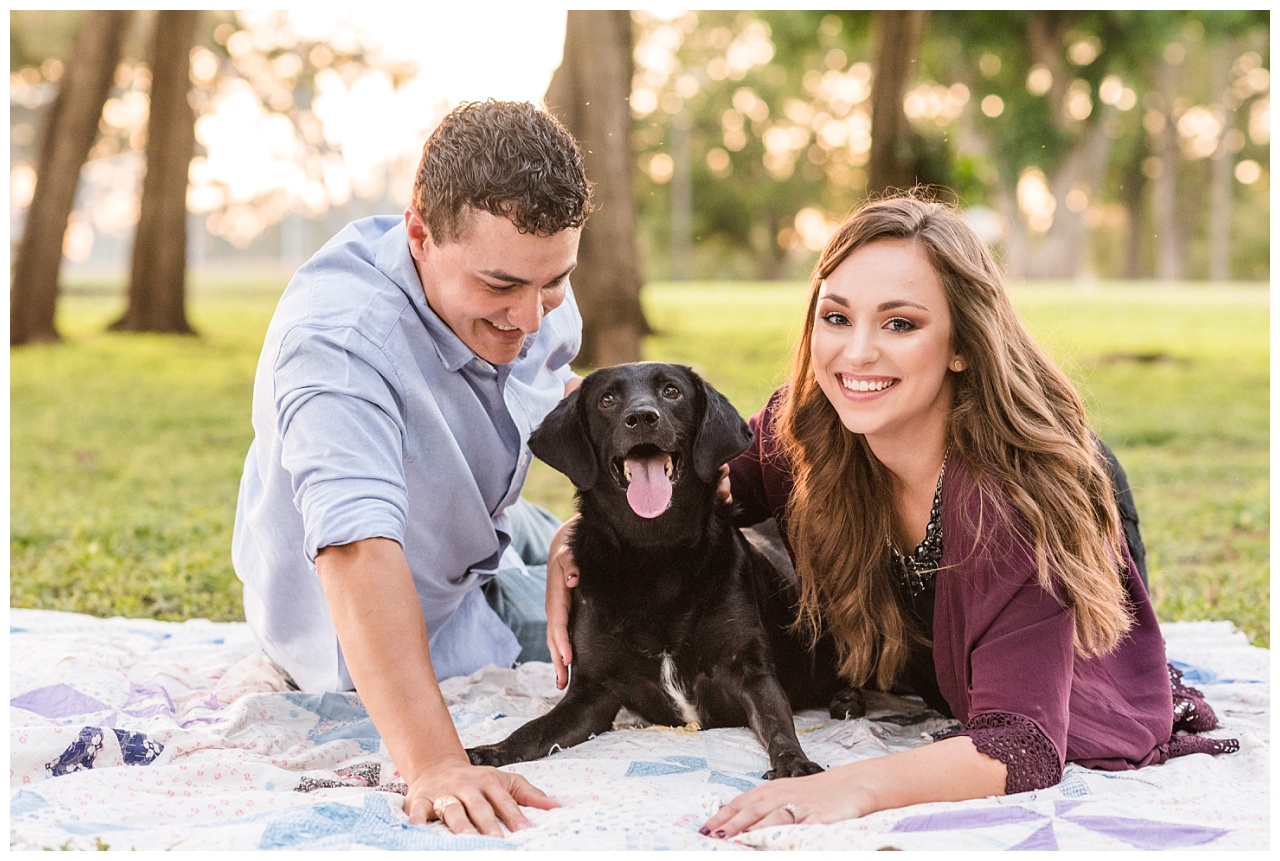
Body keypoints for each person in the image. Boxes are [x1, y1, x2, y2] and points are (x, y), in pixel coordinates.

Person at [545, 191, 1237, 837]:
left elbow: (1024, 744)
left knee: (1053, 524)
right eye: (837, 316)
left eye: (900, 322)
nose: (857, 352)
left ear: (963, 343)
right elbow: (699, 491)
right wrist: (573, 541)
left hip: (1065, 568)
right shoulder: (814, 428)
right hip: (933, 660)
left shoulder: (1010, 507)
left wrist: (847, 786)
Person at [232, 99, 592, 837]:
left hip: (483, 520)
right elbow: (356, 546)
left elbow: (557, 392)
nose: (531, 318)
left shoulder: (525, 274)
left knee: (672, 555)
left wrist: (594, 519)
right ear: (420, 233)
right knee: (637, 638)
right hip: (383, 615)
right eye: (500, 288)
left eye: (552, 281)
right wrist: (435, 763)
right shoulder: (338, 342)